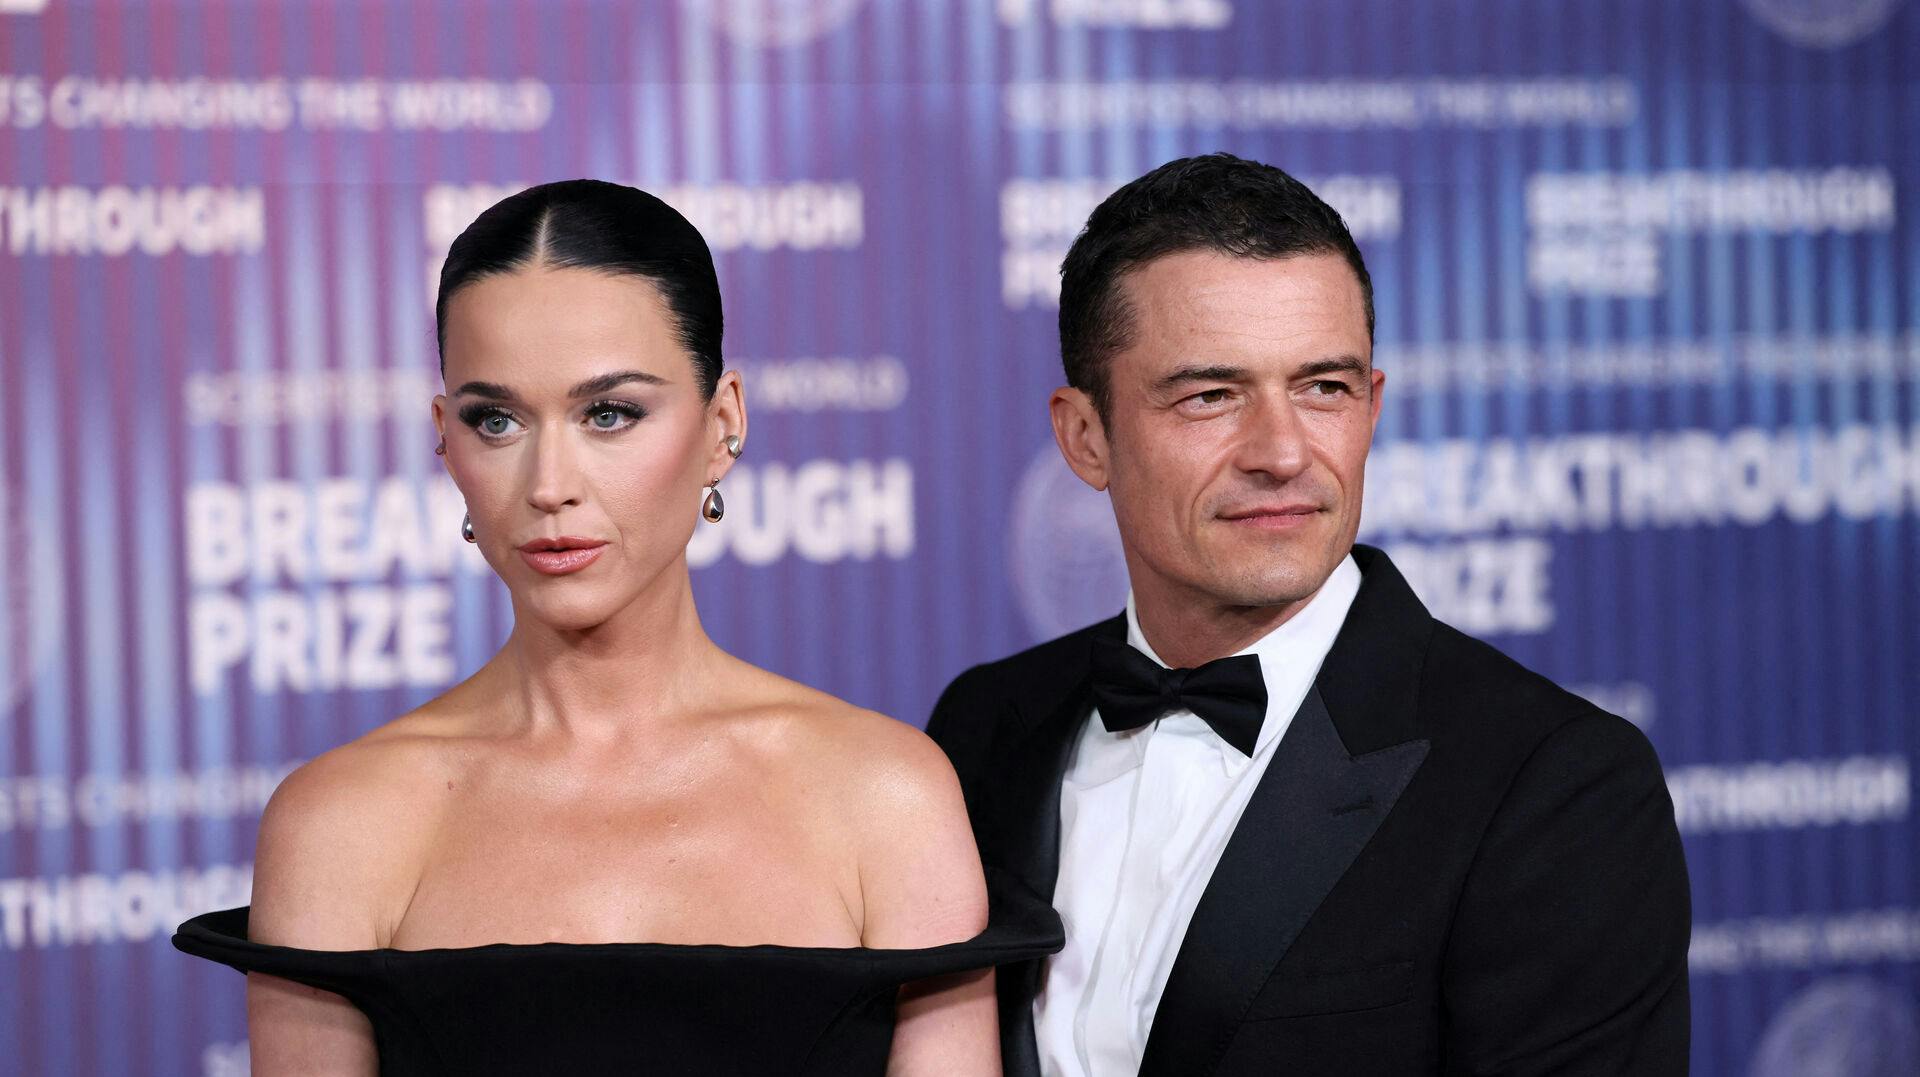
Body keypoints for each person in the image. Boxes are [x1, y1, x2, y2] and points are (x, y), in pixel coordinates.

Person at [174, 179, 1061, 1076]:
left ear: (723, 425)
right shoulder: (342, 825)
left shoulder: (887, 799)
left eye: (609, 413)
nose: (549, 481)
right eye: (497, 419)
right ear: (445, 441)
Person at [928, 154, 1690, 1076]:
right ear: (1086, 436)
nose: (1283, 453)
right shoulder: (985, 727)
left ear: (1371, 408)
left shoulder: (1554, 786)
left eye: (1323, 388)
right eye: (1211, 395)